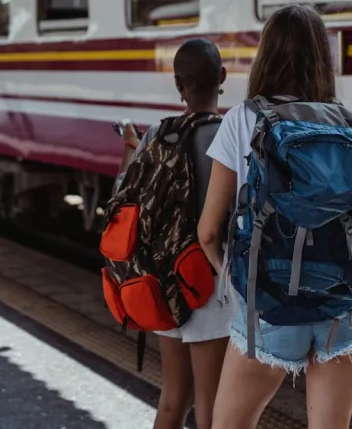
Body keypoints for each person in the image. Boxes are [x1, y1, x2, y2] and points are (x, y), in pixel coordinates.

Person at [197, 5, 352, 429]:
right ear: (323, 57)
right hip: (341, 307)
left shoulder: (243, 120)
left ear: (266, 54)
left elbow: (208, 231)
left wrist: (237, 281)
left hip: (269, 305)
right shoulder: (348, 124)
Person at [114, 37, 234, 429]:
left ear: (178, 85)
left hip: (166, 283)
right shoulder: (233, 137)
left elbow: (122, 198)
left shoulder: (157, 134)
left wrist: (130, 146)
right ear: (223, 78)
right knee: (211, 408)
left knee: (173, 400)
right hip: (210, 286)